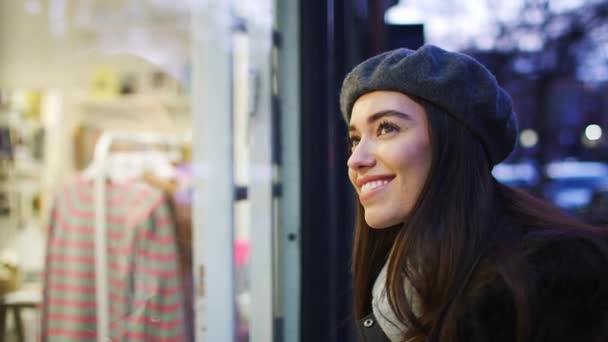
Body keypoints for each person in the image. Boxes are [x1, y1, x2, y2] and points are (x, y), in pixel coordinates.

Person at [340, 44, 608, 342]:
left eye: (386, 128)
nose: (356, 159)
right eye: (354, 139)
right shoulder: (390, 280)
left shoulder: (555, 283)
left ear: (454, 143)